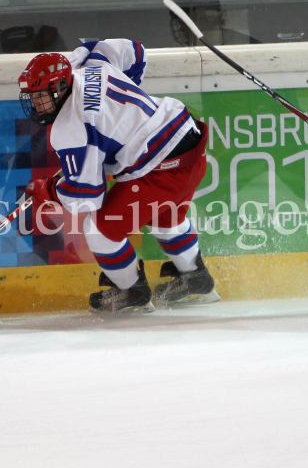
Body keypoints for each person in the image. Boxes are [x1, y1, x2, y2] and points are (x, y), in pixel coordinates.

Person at [19, 39, 220, 314]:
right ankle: (197, 279)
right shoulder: (91, 64)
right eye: (32, 97)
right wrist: (124, 116)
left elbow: (86, 197)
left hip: (161, 170)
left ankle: (132, 292)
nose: (36, 105)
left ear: (61, 87)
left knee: (99, 231)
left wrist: (48, 190)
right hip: (189, 143)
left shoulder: (70, 127)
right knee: (164, 216)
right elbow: (134, 51)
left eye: (41, 97)